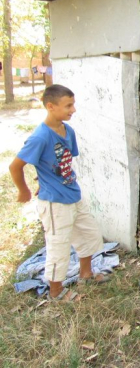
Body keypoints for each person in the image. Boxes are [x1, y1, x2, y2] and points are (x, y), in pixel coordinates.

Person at [9, 84, 108, 301]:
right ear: (50, 106)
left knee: (88, 233)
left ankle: (86, 274)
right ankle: (56, 292)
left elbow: (57, 163)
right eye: (68, 106)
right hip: (55, 203)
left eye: (73, 105)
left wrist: (45, 177)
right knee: (59, 246)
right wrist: (23, 190)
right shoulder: (40, 137)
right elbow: (15, 166)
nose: (73, 110)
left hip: (73, 193)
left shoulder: (67, 131)